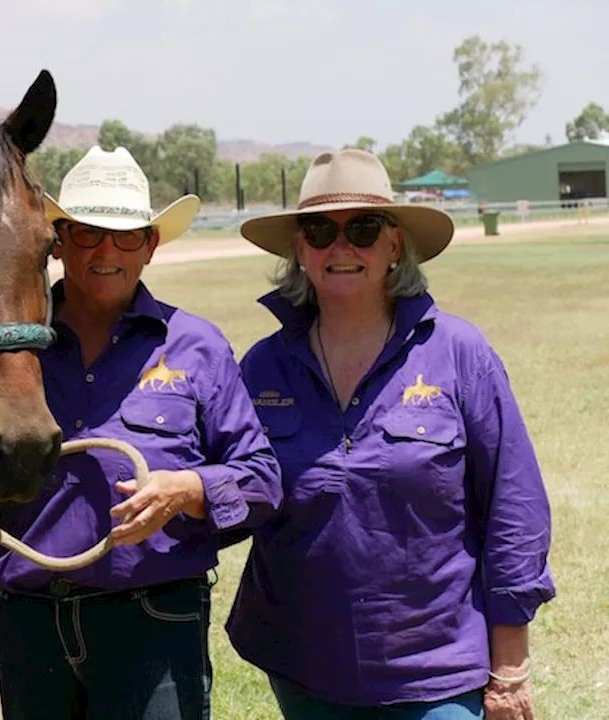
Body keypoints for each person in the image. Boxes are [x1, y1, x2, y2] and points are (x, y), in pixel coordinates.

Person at [0, 146, 283, 719]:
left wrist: (186, 491)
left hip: (154, 621)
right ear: (59, 241)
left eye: (127, 235)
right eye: (88, 233)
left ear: (151, 245)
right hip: (27, 618)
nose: (107, 251)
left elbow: (260, 481)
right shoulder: (6, 346)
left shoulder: (196, 346)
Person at [226, 148, 555, 720]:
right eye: (320, 230)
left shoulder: (459, 354)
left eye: (363, 227)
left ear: (395, 244)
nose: (341, 246)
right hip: (303, 668)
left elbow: (514, 507)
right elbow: (229, 483)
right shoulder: (262, 366)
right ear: (299, 248)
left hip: (438, 670)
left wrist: (510, 668)